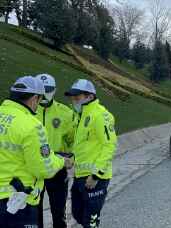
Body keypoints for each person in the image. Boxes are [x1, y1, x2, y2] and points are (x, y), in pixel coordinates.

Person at [0, 76, 73, 227]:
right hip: (19, 201)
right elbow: (43, 169)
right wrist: (61, 161)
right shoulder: (32, 125)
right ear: (34, 98)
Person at [65, 79, 117, 228]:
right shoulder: (80, 116)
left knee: (91, 220)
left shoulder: (101, 115)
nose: (74, 101)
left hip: (95, 178)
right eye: (72, 98)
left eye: (77, 97)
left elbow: (109, 145)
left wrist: (96, 175)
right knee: (77, 213)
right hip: (80, 175)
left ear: (90, 97)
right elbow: (83, 145)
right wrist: (72, 159)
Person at [35, 74, 77, 228]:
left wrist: (72, 157)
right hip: (34, 166)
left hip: (58, 165)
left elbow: (73, 140)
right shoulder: (29, 111)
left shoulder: (65, 112)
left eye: (49, 89)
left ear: (55, 90)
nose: (46, 93)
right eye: (42, 89)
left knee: (58, 210)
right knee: (34, 210)